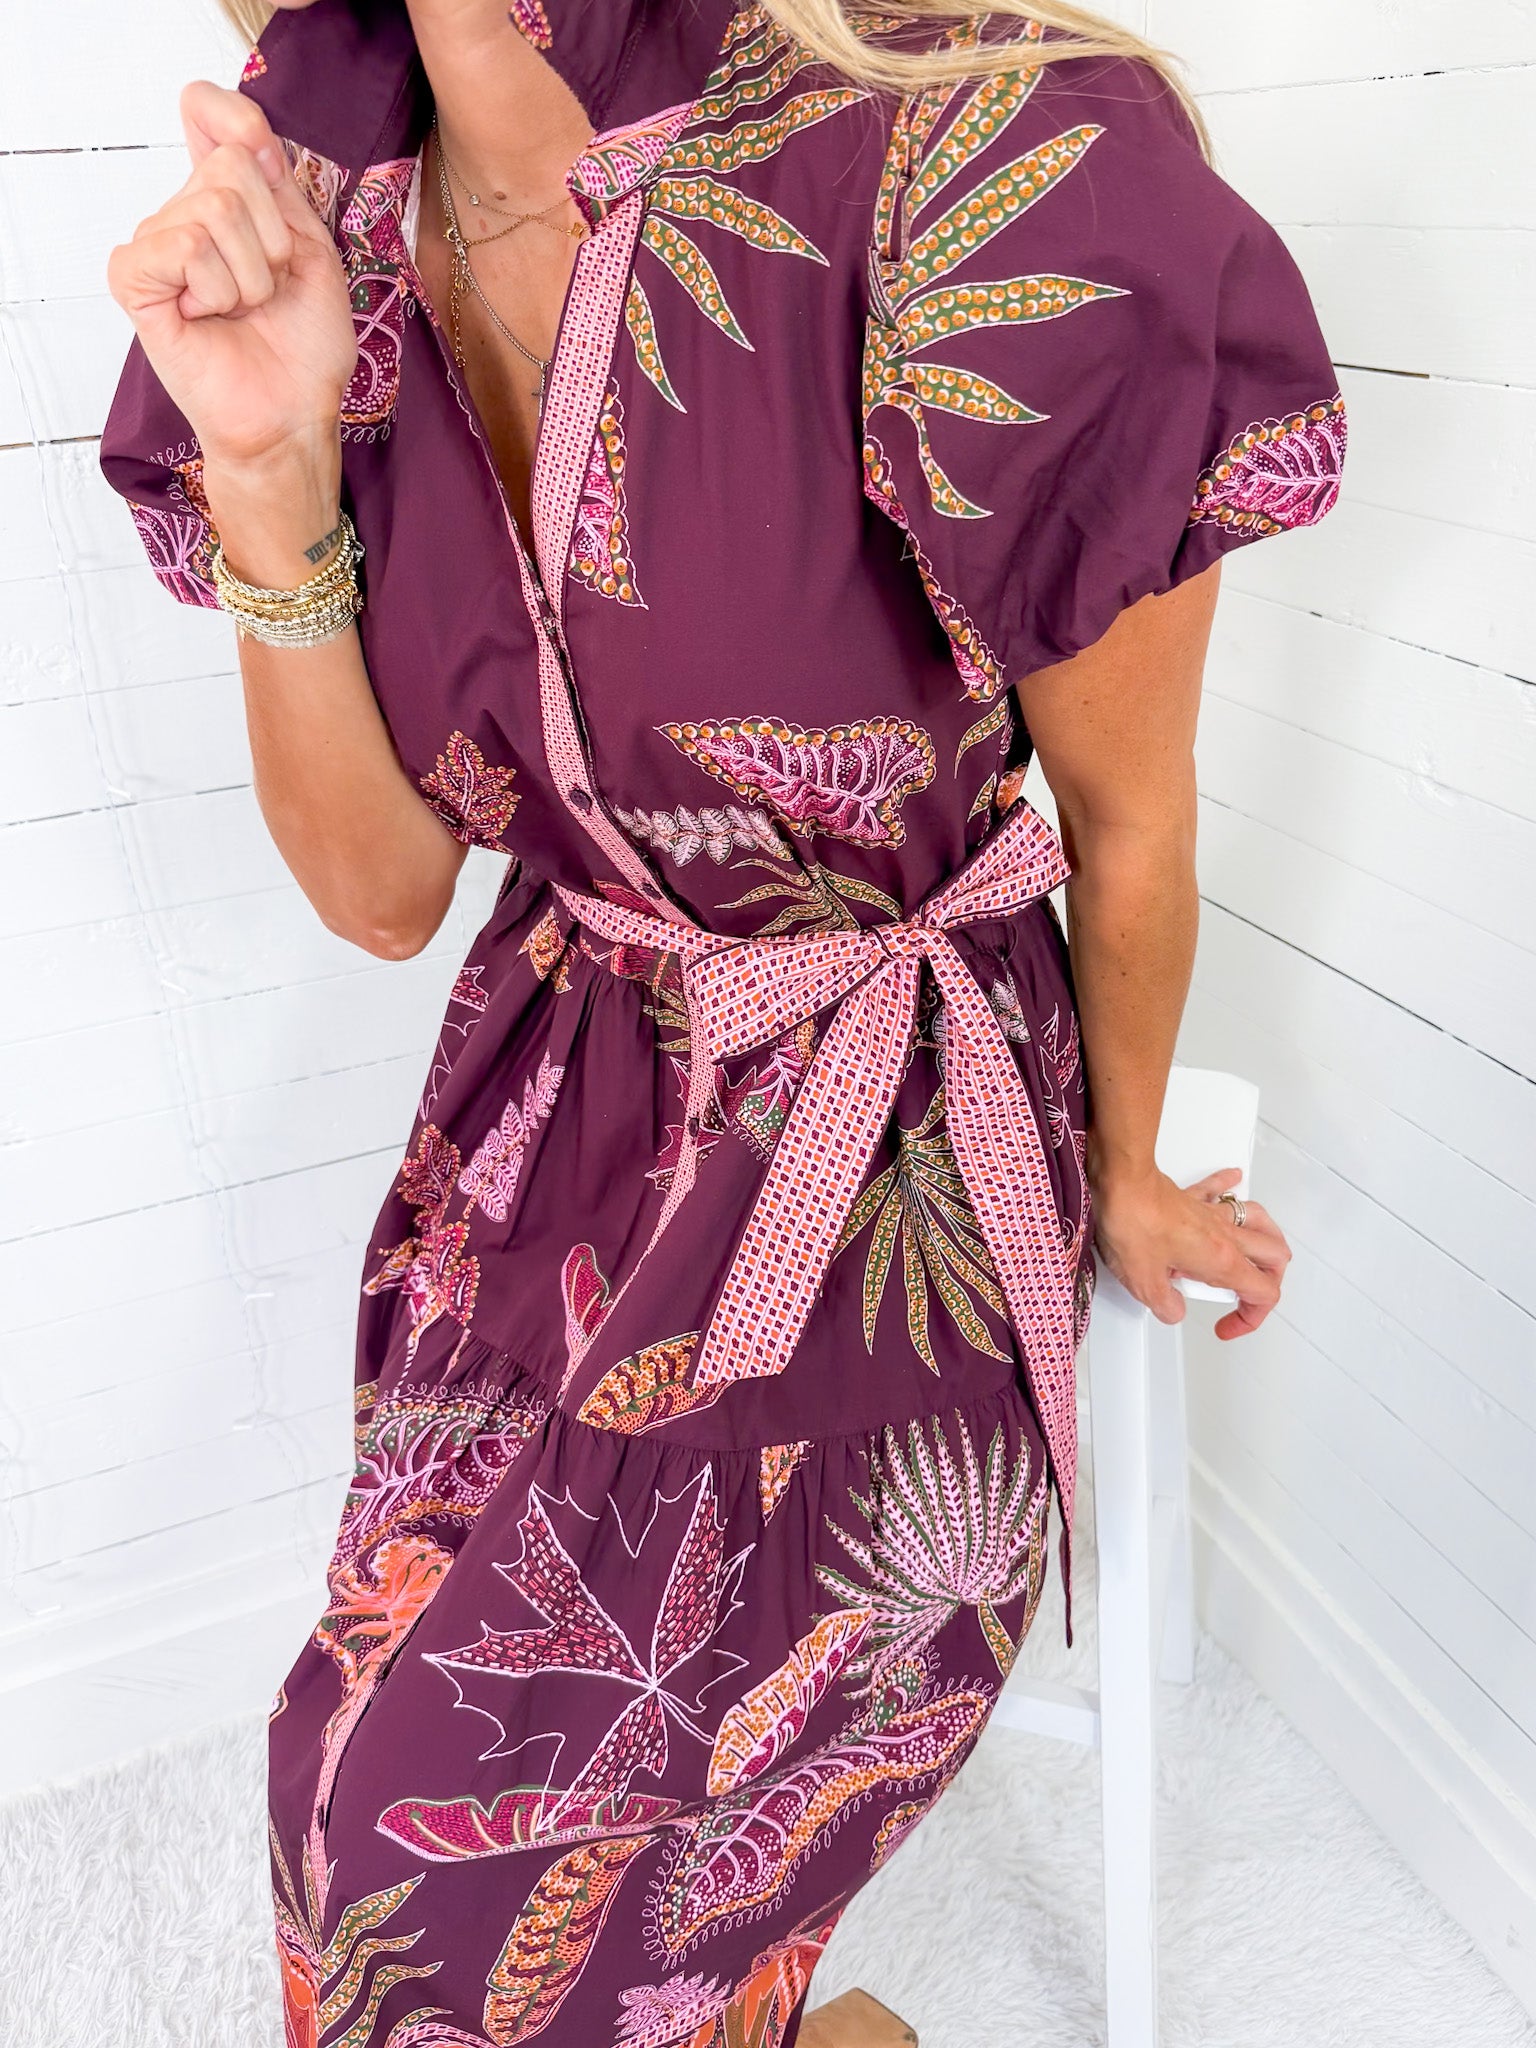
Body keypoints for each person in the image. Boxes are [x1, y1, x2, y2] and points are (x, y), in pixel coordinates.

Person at [100, 1, 1341, 2040]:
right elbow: (390, 891)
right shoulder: (318, 210)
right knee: (344, 1804)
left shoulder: (973, 161)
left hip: (888, 1182)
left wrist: (1121, 1174)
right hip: (542, 1135)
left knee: (439, 1865)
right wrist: (265, 466)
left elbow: (1129, 822)